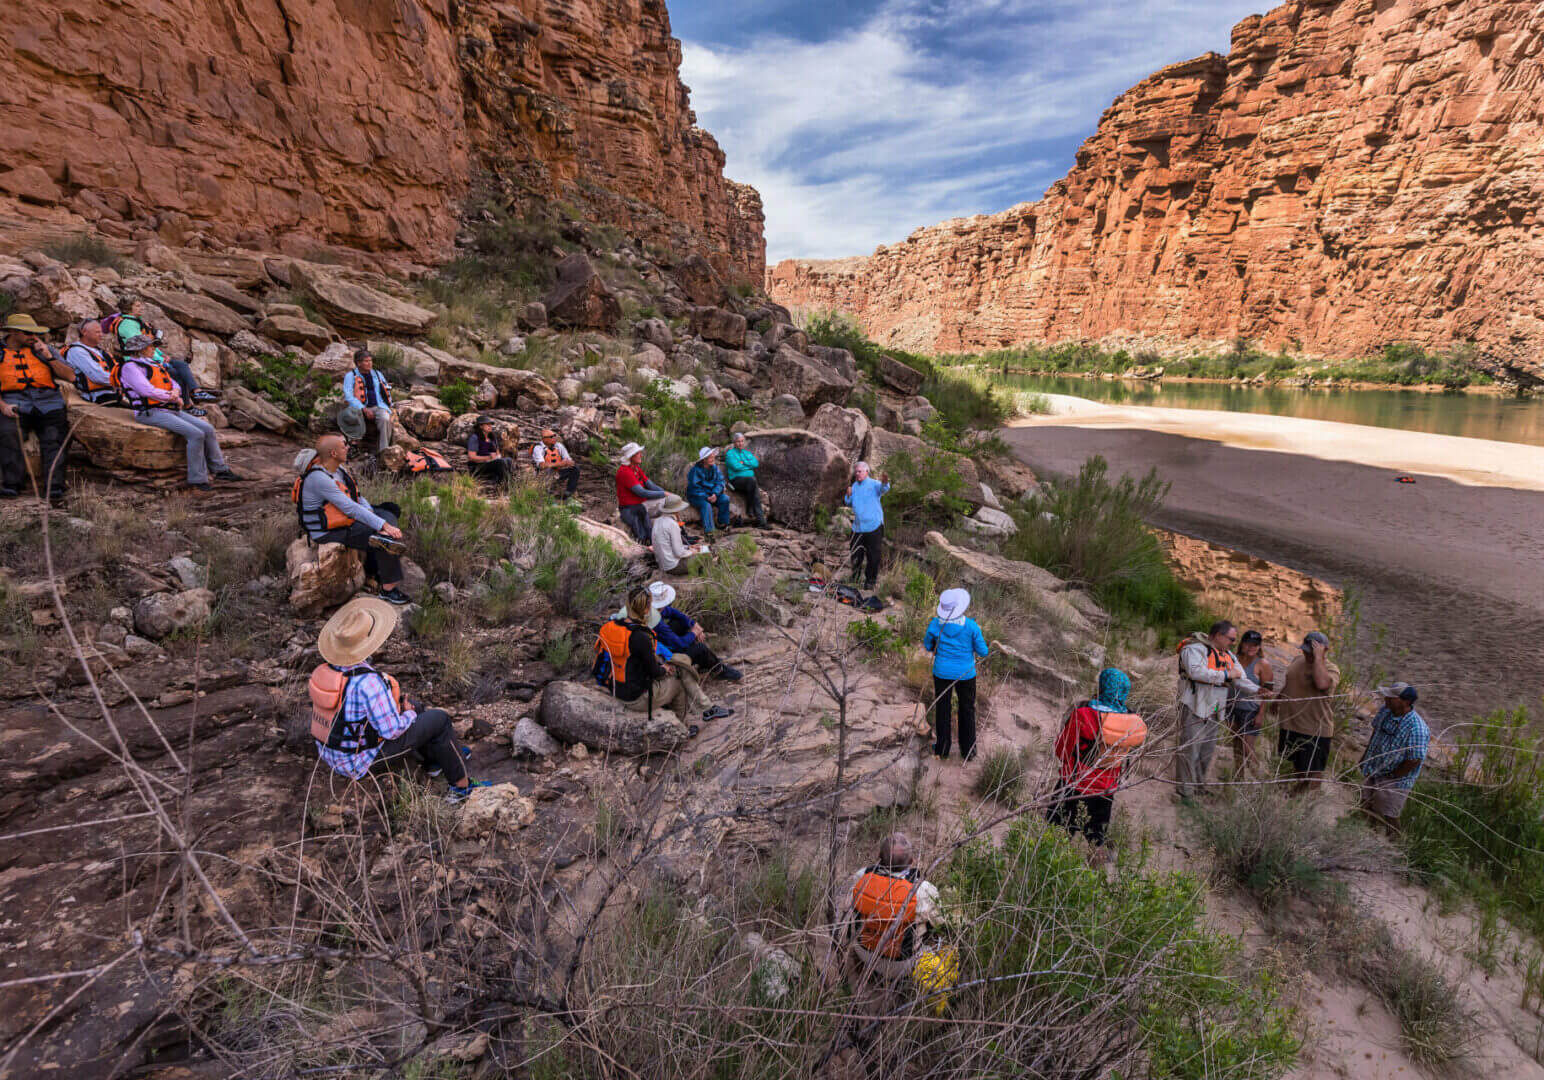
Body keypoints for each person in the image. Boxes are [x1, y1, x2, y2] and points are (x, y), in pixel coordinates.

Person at [310, 596, 490, 804]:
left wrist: (408, 709)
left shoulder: (324, 671)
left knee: (416, 706)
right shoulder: (369, 683)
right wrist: (409, 713)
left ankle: (437, 761)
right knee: (439, 719)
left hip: (334, 754)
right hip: (361, 762)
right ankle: (461, 787)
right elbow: (392, 731)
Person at [293, 435, 412, 605]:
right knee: (384, 538)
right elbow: (350, 508)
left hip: (344, 518)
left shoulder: (339, 470)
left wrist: (373, 515)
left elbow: (357, 497)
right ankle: (388, 590)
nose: (348, 448)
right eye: (344, 446)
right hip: (328, 530)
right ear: (333, 453)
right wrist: (382, 525)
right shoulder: (318, 478)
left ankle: (374, 567)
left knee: (390, 509)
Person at [592, 585, 733, 726]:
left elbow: (631, 661)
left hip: (617, 688)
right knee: (679, 677)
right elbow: (654, 672)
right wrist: (664, 668)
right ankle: (682, 726)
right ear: (647, 610)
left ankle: (706, 708)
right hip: (636, 698)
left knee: (679, 666)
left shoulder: (613, 626)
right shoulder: (640, 637)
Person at [119, 335, 239, 492]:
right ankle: (198, 479)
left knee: (207, 429)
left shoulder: (153, 364)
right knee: (196, 434)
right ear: (140, 350)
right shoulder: (130, 367)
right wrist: (170, 396)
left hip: (169, 408)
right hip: (150, 412)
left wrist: (175, 391)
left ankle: (220, 470)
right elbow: (145, 390)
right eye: (150, 346)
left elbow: (172, 382)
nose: (154, 349)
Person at [829, 834, 941, 990]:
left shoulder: (862, 876)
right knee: (936, 939)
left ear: (879, 857)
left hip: (864, 953)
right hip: (902, 966)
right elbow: (938, 922)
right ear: (911, 861)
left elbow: (848, 907)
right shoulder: (922, 889)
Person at [1049, 668, 1143, 848]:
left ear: (1102, 686)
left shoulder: (1083, 713)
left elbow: (1061, 749)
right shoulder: (1131, 721)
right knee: (1096, 839)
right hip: (1105, 790)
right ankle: (1096, 869)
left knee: (1056, 833)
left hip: (1074, 784)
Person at [1174, 620, 1257, 800]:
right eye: (1231, 639)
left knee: (1207, 751)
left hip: (1215, 708)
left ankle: (1198, 785)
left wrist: (1260, 691)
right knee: (1190, 749)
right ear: (1218, 635)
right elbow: (1196, 672)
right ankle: (1184, 791)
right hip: (1194, 705)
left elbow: (1240, 679)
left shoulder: (1228, 656)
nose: (1233, 643)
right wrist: (1227, 675)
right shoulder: (1193, 649)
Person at [0, 314, 73, 503]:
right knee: (8, 432)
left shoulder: (43, 349)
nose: (33, 336)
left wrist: (49, 356)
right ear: (14, 332)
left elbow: (70, 376)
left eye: (35, 333)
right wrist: (3, 406)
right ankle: (12, 484)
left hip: (49, 402)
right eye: (28, 332)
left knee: (54, 437)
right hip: (14, 402)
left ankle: (54, 485)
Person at [111, 299, 215, 413]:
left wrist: (162, 354)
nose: (141, 308)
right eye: (137, 306)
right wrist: (160, 359)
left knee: (182, 365)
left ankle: (196, 391)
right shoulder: (127, 325)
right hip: (140, 360)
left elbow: (149, 344)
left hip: (151, 357)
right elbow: (140, 347)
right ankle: (187, 406)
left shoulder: (136, 321)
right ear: (128, 308)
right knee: (176, 374)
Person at [922, 588, 989, 761]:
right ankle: (968, 750)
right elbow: (983, 651)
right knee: (967, 709)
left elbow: (928, 645)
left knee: (943, 708)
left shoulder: (935, 624)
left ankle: (942, 749)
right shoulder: (971, 626)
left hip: (942, 672)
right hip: (966, 674)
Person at [1274, 630, 1341, 793]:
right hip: (1290, 725)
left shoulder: (1331, 669)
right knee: (1295, 767)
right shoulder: (1298, 660)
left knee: (1312, 773)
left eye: (1311, 650)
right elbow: (1290, 681)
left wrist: (1318, 657)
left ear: (1325, 650)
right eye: (1305, 649)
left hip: (1314, 730)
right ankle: (1293, 799)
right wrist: (1277, 701)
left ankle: (1307, 805)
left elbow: (1322, 684)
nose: (1306, 653)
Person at [1358, 682, 1429, 835]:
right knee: (1365, 804)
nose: (1387, 699)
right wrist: (1365, 756)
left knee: (1389, 814)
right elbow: (1376, 731)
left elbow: (1414, 759)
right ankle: (1368, 835)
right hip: (1374, 768)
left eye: (1392, 697)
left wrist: (1394, 776)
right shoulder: (1385, 711)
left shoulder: (1417, 728)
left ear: (1406, 702)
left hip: (1396, 779)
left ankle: (1395, 845)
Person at [647, 581, 742, 681]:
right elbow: (680, 643)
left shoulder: (653, 610)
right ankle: (718, 670)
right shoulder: (657, 623)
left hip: (662, 644)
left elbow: (674, 613)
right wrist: (694, 633)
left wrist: (693, 624)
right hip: (663, 656)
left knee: (678, 623)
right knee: (700, 648)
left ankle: (705, 660)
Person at [1225, 629, 1274, 777]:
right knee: (1237, 744)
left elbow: (1268, 692)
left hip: (1251, 710)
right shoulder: (1233, 659)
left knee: (1247, 747)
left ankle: (1262, 780)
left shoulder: (1263, 664)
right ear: (1242, 644)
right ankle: (1238, 778)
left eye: (1256, 645)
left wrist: (1261, 714)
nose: (1252, 647)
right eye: (1249, 644)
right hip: (1231, 707)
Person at [845, 461, 890, 590]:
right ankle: (855, 577)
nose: (857, 474)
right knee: (855, 554)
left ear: (866, 472)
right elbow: (848, 503)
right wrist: (848, 495)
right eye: (856, 471)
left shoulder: (874, 484)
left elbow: (884, 489)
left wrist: (885, 482)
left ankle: (870, 581)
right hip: (858, 528)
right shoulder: (854, 486)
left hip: (874, 526)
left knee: (873, 556)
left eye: (860, 471)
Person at [340, 349, 394, 455]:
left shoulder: (377, 374)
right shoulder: (350, 376)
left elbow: (386, 389)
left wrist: (390, 404)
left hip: (378, 406)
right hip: (359, 407)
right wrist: (363, 409)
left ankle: (383, 451)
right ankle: (353, 445)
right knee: (352, 415)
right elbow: (349, 396)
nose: (370, 363)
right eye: (366, 361)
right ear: (358, 363)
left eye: (370, 361)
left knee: (385, 418)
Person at [615, 442, 669, 544]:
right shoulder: (625, 472)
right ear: (631, 457)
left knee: (668, 501)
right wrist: (664, 494)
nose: (641, 455)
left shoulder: (635, 468)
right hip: (630, 507)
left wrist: (665, 492)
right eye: (638, 453)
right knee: (666, 503)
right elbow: (642, 493)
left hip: (640, 504)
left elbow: (651, 485)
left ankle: (670, 533)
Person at [651, 494, 711, 576]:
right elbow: (679, 553)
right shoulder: (672, 524)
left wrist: (688, 547)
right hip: (673, 566)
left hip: (663, 564)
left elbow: (668, 545)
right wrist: (692, 551)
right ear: (676, 510)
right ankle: (700, 574)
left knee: (701, 549)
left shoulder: (657, 521)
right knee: (707, 553)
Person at [63, 320, 120, 404]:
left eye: (101, 332)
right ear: (84, 332)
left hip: (114, 392)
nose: (101, 335)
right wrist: (126, 382)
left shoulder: (99, 351)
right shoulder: (76, 351)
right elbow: (98, 377)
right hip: (98, 396)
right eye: (97, 332)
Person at [722, 431, 767, 528]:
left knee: (754, 489)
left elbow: (755, 464)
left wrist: (743, 463)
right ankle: (754, 514)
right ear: (734, 442)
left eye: (742, 441)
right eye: (738, 441)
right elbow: (736, 467)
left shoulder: (747, 453)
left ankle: (761, 521)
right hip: (736, 480)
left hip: (749, 482)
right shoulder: (730, 454)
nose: (740, 443)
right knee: (753, 482)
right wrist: (748, 465)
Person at [686, 446, 732, 535]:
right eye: (710, 457)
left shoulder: (714, 468)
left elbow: (720, 482)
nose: (713, 458)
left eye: (713, 456)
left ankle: (722, 523)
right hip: (697, 496)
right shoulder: (695, 471)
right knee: (706, 506)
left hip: (712, 494)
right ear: (704, 460)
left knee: (725, 499)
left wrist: (715, 493)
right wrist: (707, 497)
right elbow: (695, 489)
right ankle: (709, 531)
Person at [466, 415, 515, 484]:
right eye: (487, 424)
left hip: (490, 463)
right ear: (480, 426)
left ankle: (510, 483)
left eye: (490, 424)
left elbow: (497, 453)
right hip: (478, 466)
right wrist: (489, 457)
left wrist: (497, 456)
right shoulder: (474, 438)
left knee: (508, 460)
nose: (490, 426)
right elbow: (471, 457)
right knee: (500, 462)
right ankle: (503, 484)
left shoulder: (492, 438)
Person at [531, 428, 579, 496]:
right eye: (551, 437)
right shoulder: (538, 448)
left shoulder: (559, 446)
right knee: (548, 470)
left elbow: (568, 459)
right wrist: (560, 464)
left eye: (554, 436)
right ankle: (546, 490)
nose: (554, 438)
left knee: (575, 468)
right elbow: (542, 465)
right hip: (544, 475)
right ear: (544, 439)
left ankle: (569, 492)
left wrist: (569, 462)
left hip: (557, 472)